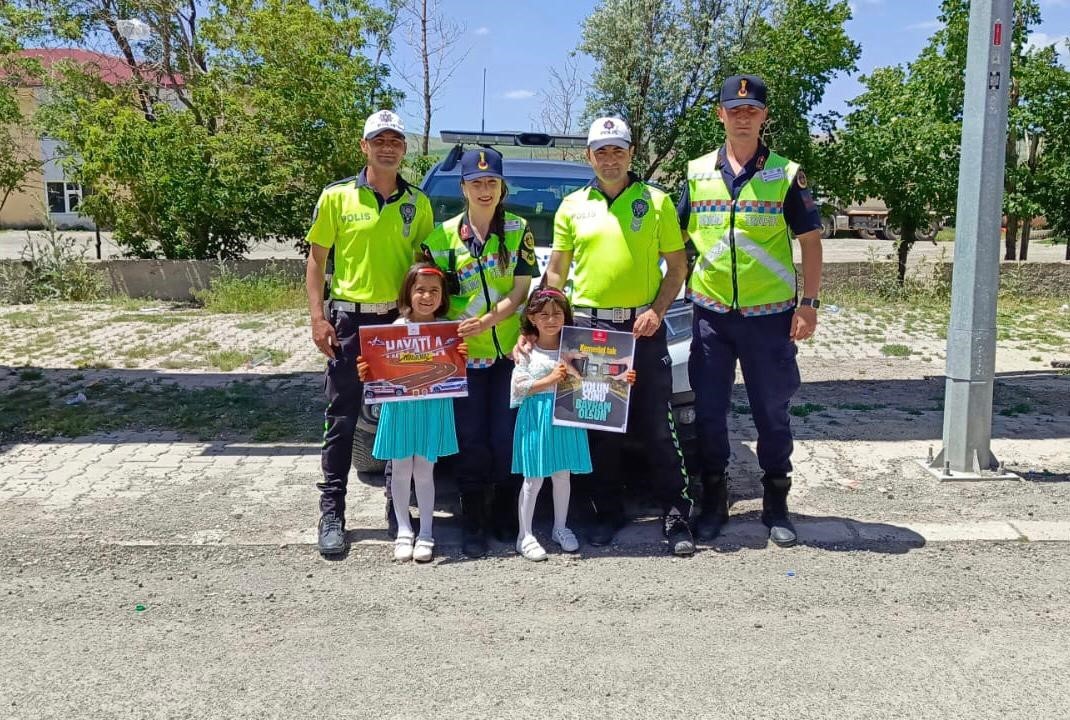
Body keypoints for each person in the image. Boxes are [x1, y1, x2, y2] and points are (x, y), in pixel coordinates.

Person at [679, 75, 823, 547]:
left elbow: (810, 241)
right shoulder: (696, 171)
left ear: (764, 116)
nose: (743, 116)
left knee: (772, 412)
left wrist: (809, 304)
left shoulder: (785, 173)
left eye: (752, 110)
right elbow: (674, 241)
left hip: (770, 318)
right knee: (710, 413)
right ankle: (713, 500)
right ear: (720, 115)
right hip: (711, 317)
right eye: (734, 109)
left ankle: (776, 500)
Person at [544, 117, 695, 556]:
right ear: (588, 157)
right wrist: (547, 319)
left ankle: (674, 512)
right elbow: (556, 270)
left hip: (642, 328)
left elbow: (678, 267)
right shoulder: (572, 205)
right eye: (601, 151)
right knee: (599, 428)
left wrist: (657, 311)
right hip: (591, 331)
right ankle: (607, 511)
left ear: (632, 154)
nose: (610, 159)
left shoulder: (658, 202)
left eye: (618, 150)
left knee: (655, 425)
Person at [306, 109, 435, 557]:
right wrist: (317, 318)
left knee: (397, 417)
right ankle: (332, 510)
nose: (387, 147)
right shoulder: (337, 197)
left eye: (395, 140)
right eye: (379, 140)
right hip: (349, 321)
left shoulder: (418, 203)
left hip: (398, 327)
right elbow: (317, 260)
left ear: (403, 148)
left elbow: (424, 268)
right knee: (343, 417)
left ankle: (396, 509)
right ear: (364, 146)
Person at [423, 147, 539, 558]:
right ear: (464, 187)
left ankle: (506, 510)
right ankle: (473, 518)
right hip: (463, 359)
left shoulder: (519, 230)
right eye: (477, 183)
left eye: (492, 182)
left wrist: (491, 322)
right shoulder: (439, 239)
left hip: (509, 354)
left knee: (505, 437)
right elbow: (427, 298)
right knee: (471, 440)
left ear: (502, 187)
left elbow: (522, 290)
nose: (484, 189)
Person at [357, 262, 465, 563]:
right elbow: (376, 372)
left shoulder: (448, 331)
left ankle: (427, 532)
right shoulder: (392, 331)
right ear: (408, 293)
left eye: (434, 291)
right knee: (401, 470)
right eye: (420, 290)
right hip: (401, 409)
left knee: (425, 472)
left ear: (442, 296)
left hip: (431, 407)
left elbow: (454, 371)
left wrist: (460, 356)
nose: (427, 296)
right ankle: (405, 529)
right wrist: (367, 370)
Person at [510, 287, 603, 561]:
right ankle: (524, 535)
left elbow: (594, 381)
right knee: (533, 478)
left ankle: (560, 527)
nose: (551, 320)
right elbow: (519, 387)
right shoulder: (526, 351)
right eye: (544, 314)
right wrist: (550, 380)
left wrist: (622, 380)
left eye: (557, 313)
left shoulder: (574, 349)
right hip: (536, 418)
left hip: (566, 417)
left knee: (563, 475)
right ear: (532, 318)